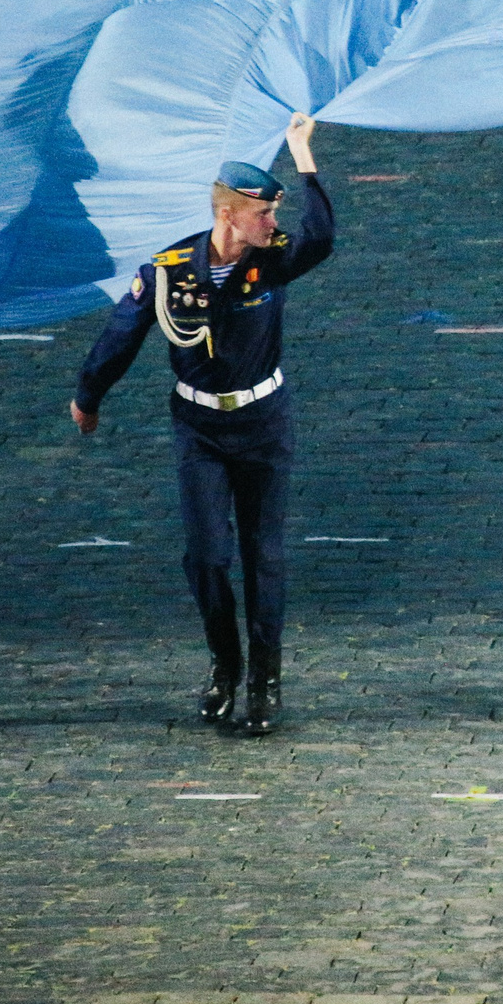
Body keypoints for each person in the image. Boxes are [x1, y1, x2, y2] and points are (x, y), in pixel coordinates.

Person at [71, 116, 332, 737]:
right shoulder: (167, 271)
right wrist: (89, 396)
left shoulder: (271, 263)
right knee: (210, 557)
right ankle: (225, 667)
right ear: (230, 214)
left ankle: (265, 681)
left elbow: (321, 239)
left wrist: (304, 157)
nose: (274, 223)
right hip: (201, 429)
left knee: (262, 555)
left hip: (265, 423)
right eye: (263, 214)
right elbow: (120, 335)